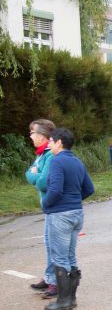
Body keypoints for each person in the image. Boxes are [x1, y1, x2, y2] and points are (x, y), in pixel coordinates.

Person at [42, 128, 94, 310]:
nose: (49, 144)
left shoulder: (57, 161)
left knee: (59, 257)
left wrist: (45, 204)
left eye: (51, 141)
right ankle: (71, 299)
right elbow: (89, 188)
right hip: (76, 213)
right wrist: (74, 200)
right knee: (70, 256)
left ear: (59, 142)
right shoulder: (77, 161)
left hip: (60, 215)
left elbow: (55, 190)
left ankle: (63, 300)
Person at [24, 119, 57, 296]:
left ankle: (55, 282)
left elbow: (44, 182)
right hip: (48, 207)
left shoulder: (50, 154)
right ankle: (50, 277)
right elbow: (28, 174)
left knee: (54, 245)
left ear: (42, 135)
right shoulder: (40, 154)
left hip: (55, 207)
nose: (30, 136)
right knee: (49, 244)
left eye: (32, 132)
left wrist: (35, 176)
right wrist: (34, 175)